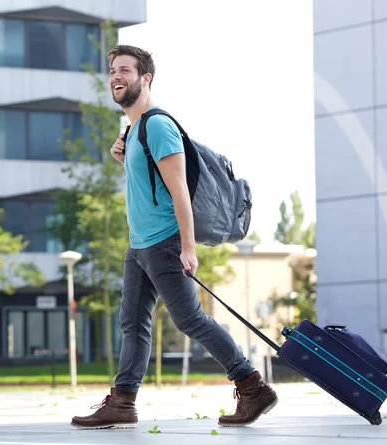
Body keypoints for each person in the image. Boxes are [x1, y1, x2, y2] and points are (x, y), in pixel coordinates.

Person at [70, 45, 278, 430]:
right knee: (132, 323)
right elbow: (147, 185)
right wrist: (123, 159)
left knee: (191, 320)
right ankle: (123, 402)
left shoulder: (157, 126)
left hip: (164, 242)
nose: (117, 77)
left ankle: (252, 386)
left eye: (126, 71)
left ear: (145, 78)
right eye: (113, 70)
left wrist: (187, 247)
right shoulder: (133, 131)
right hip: (139, 246)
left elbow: (179, 189)